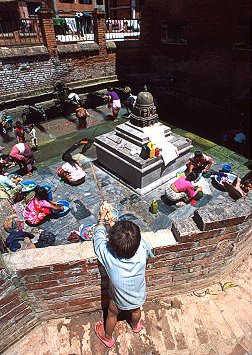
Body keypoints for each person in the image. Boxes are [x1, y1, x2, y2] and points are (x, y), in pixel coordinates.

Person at [93, 202, 153, 348]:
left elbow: (98, 240)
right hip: (138, 294)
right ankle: (136, 326)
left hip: (118, 298)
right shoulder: (142, 249)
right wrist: (114, 225)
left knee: (112, 313)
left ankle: (107, 337)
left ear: (112, 245)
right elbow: (131, 240)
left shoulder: (109, 256)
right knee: (136, 310)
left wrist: (101, 219)